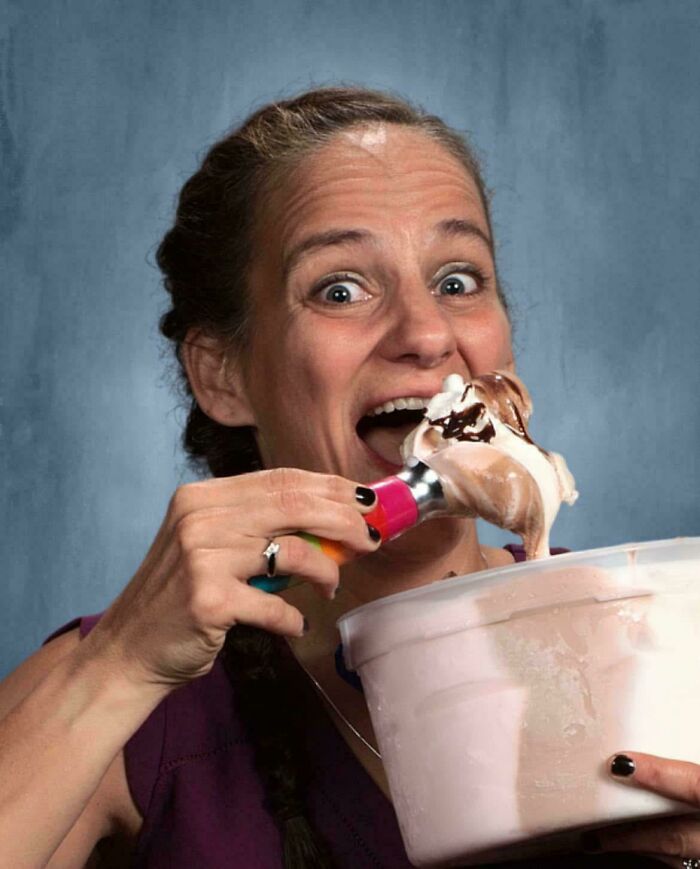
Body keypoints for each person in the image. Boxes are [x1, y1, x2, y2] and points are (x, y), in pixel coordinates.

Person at [0, 86, 698, 869]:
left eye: (459, 280)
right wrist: (113, 670)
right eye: (341, 289)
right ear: (223, 374)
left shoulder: (665, 641)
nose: (427, 333)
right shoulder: (128, 697)